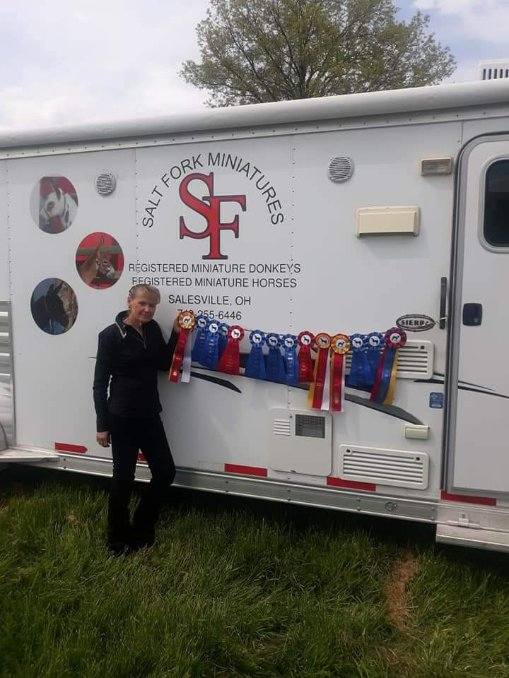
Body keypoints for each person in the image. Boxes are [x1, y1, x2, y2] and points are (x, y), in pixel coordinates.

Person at [93, 284, 179, 555]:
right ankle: (116, 540)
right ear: (129, 301)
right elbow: (99, 384)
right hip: (122, 417)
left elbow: (164, 363)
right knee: (123, 479)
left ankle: (142, 527)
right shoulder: (110, 335)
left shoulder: (153, 330)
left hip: (150, 414)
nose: (147, 309)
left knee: (165, 472)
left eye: (152, 306)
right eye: (142, 303)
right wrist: (102, 425)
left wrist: (177, 333)